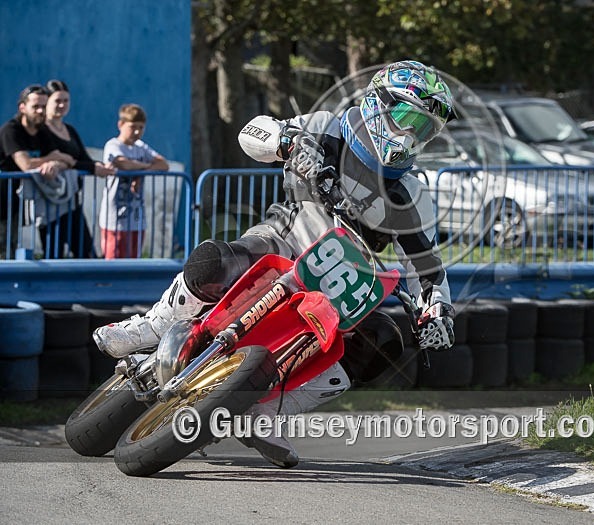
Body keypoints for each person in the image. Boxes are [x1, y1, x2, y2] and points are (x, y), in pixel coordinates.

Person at [94, 60, 457, 468]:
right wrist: (286, 141)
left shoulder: (411, 192)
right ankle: (155, 325)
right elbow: (253, 131)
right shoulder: (327, 126)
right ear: (379, 104)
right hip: (278, 241)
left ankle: (268, 413)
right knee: (212, 259)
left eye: (424, 129)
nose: (411, 136)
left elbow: (427, 266)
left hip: (336, 284)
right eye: (408, 119)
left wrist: (437, 308)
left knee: (384, 342)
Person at [38, 79, 117, 258]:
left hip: (72, 200)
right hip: (51, 203)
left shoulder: (70, 130)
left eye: (66, 100)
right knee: (54, 255)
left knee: (86, 253)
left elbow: (83, 159)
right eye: (57, 100)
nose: (62, 105)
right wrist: (79, 165)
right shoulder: (41, 130)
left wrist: (99, 166)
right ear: (47, 102)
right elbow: (57, 158)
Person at [0, 84, 76, 258]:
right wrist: (53, 159)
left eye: (43, 106)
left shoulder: (42, 131)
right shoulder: (11, 131)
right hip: (2, 200)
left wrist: (56, 164)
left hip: (15, 204)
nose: (41, 111)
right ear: (22, 107)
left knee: (10, 250)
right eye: (36, 106)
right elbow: (26, 165)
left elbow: (66, 160)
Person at [99, 103, 168, 258]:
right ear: (121, 124)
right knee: (113, 261)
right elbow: (123, 163)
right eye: (132, 127)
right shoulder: (113, 145)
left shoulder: (141, 146)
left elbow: (163, 164)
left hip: (136, 217)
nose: (137, 132)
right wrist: (144, 168)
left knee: (134, 259)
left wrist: (138, 173)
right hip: (114, 217)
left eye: (141, 127)